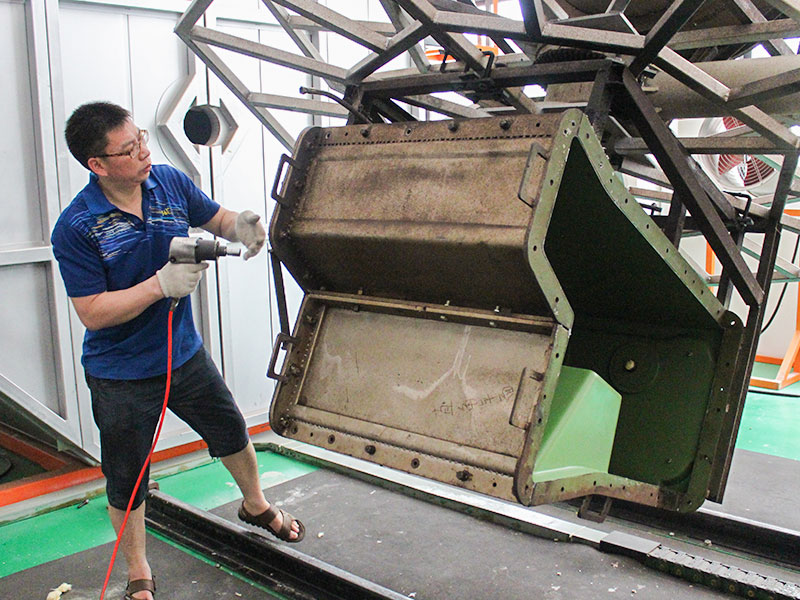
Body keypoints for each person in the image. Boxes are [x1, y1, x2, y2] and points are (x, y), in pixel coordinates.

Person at [51, 102, 304, 600]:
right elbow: (93, 312)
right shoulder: (77, 227)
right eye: (129, 149)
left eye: (141, 139)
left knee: (231, 431)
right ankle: (138, 570)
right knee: (128, 478)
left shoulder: (167, 181)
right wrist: (159, 286)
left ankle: (255, 505)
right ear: (97, 165)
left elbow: (216, 217)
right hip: (120, 373)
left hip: (182, 354)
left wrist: (240, 225)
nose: (144, 152)